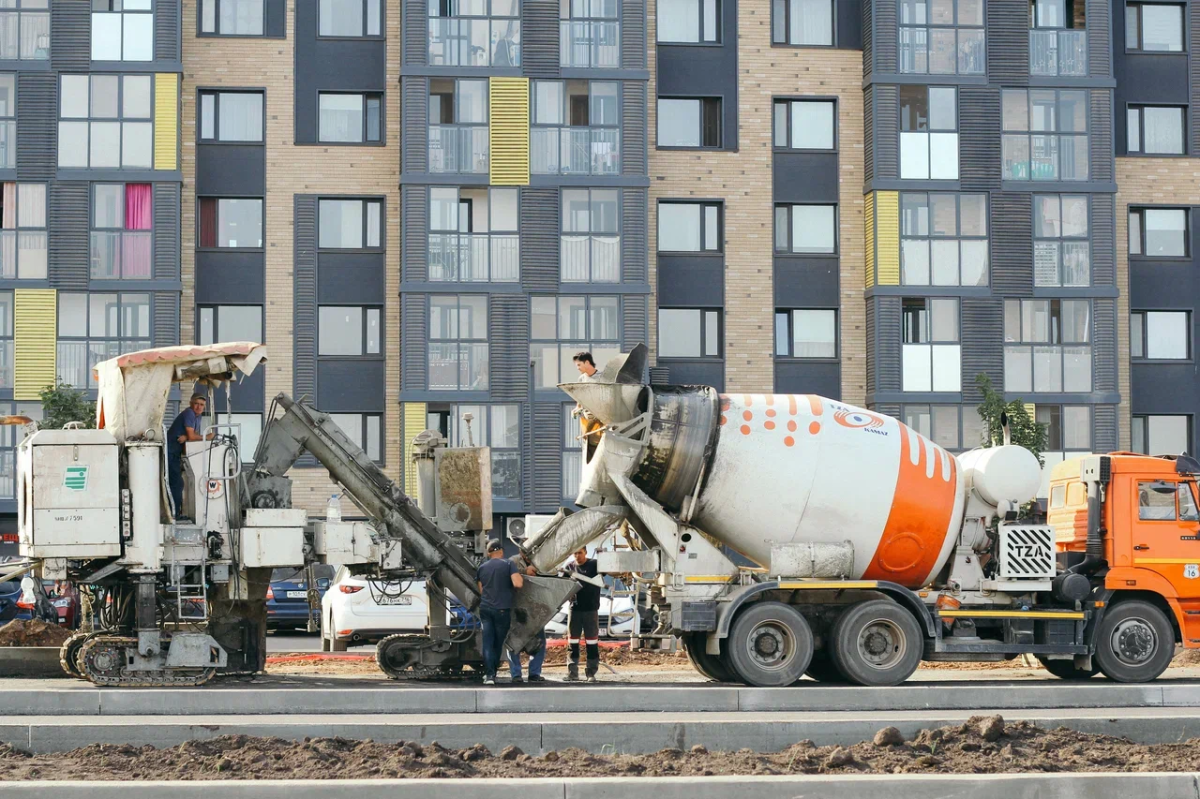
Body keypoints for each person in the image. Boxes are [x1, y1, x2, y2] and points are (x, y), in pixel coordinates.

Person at [476, 539, 524, 686]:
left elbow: (481, 590)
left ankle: (489, 675)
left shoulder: (482, 567)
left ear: (489, 553)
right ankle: (493, 672)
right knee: (498, 644)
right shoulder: (509, 564)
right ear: (501, 551)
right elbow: (518, 583)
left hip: (485, 609)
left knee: (488, 642)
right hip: (502, 609)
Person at [166, 393, 212, 521]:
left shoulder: (198, 417)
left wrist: (187, 437)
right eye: (196, 404)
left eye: (201, 405)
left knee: (179, 483)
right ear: (191, 404)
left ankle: (175, 513)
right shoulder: (189, 413)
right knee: (177, 483)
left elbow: (191, 436)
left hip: (177, 454)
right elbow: (193, 437)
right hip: (170, 453)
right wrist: (207, 437)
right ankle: (174, 514)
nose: (198, 407)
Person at [564, 547, 602, 682]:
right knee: (572, 642)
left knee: (592, 642)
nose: (577, 556)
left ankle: (591, 673)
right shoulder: (569, 567)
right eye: (575, 553)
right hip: (575, 610)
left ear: (585, 552)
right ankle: (572, 673)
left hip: (591, 610)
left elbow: (611, 573)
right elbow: (562, 586)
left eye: (580, 553)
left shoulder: (594, 565)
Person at [506, 564, 546, 683]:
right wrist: (524, 570)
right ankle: (516, 674)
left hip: (535, 610)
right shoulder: (514, 561)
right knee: (512, 643)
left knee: (540, 642)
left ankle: (534, 673)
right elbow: (507, 572)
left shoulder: (540, 561)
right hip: (516, 609)